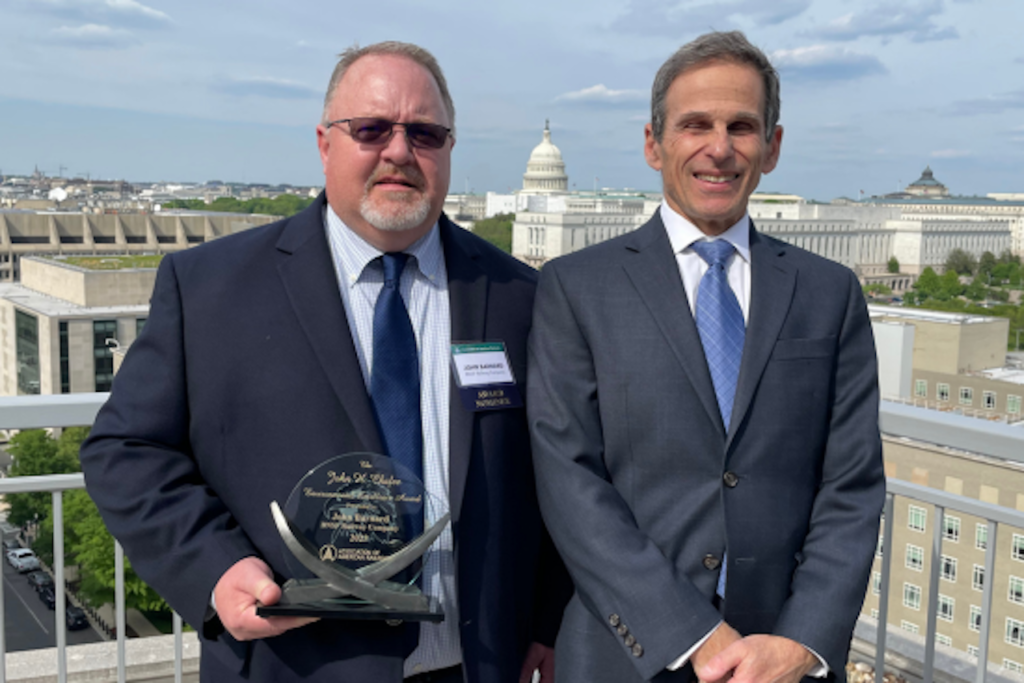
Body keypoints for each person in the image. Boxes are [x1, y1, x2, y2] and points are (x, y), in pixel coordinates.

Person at [81, 41, 566, 683]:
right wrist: (216, 568)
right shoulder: (211, 289)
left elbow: (562, 472)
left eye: (424, 132)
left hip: (478, 665)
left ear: (449, 148)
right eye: (371, 129)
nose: (399, 151)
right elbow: (125, 449)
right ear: (324, 142)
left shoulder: (520, 297)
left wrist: (547, 621)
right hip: (294, 664)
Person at [527, 31, 885, 683]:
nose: (718, 148)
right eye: (695, 124)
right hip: (627, 653)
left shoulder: (829, 293)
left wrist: (802, 641)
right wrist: (691, 630)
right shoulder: (577, 287)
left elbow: (852, 487)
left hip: (781, 662)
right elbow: (570, 481)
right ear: (653, 142)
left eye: (741, 126)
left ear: (771, 147)